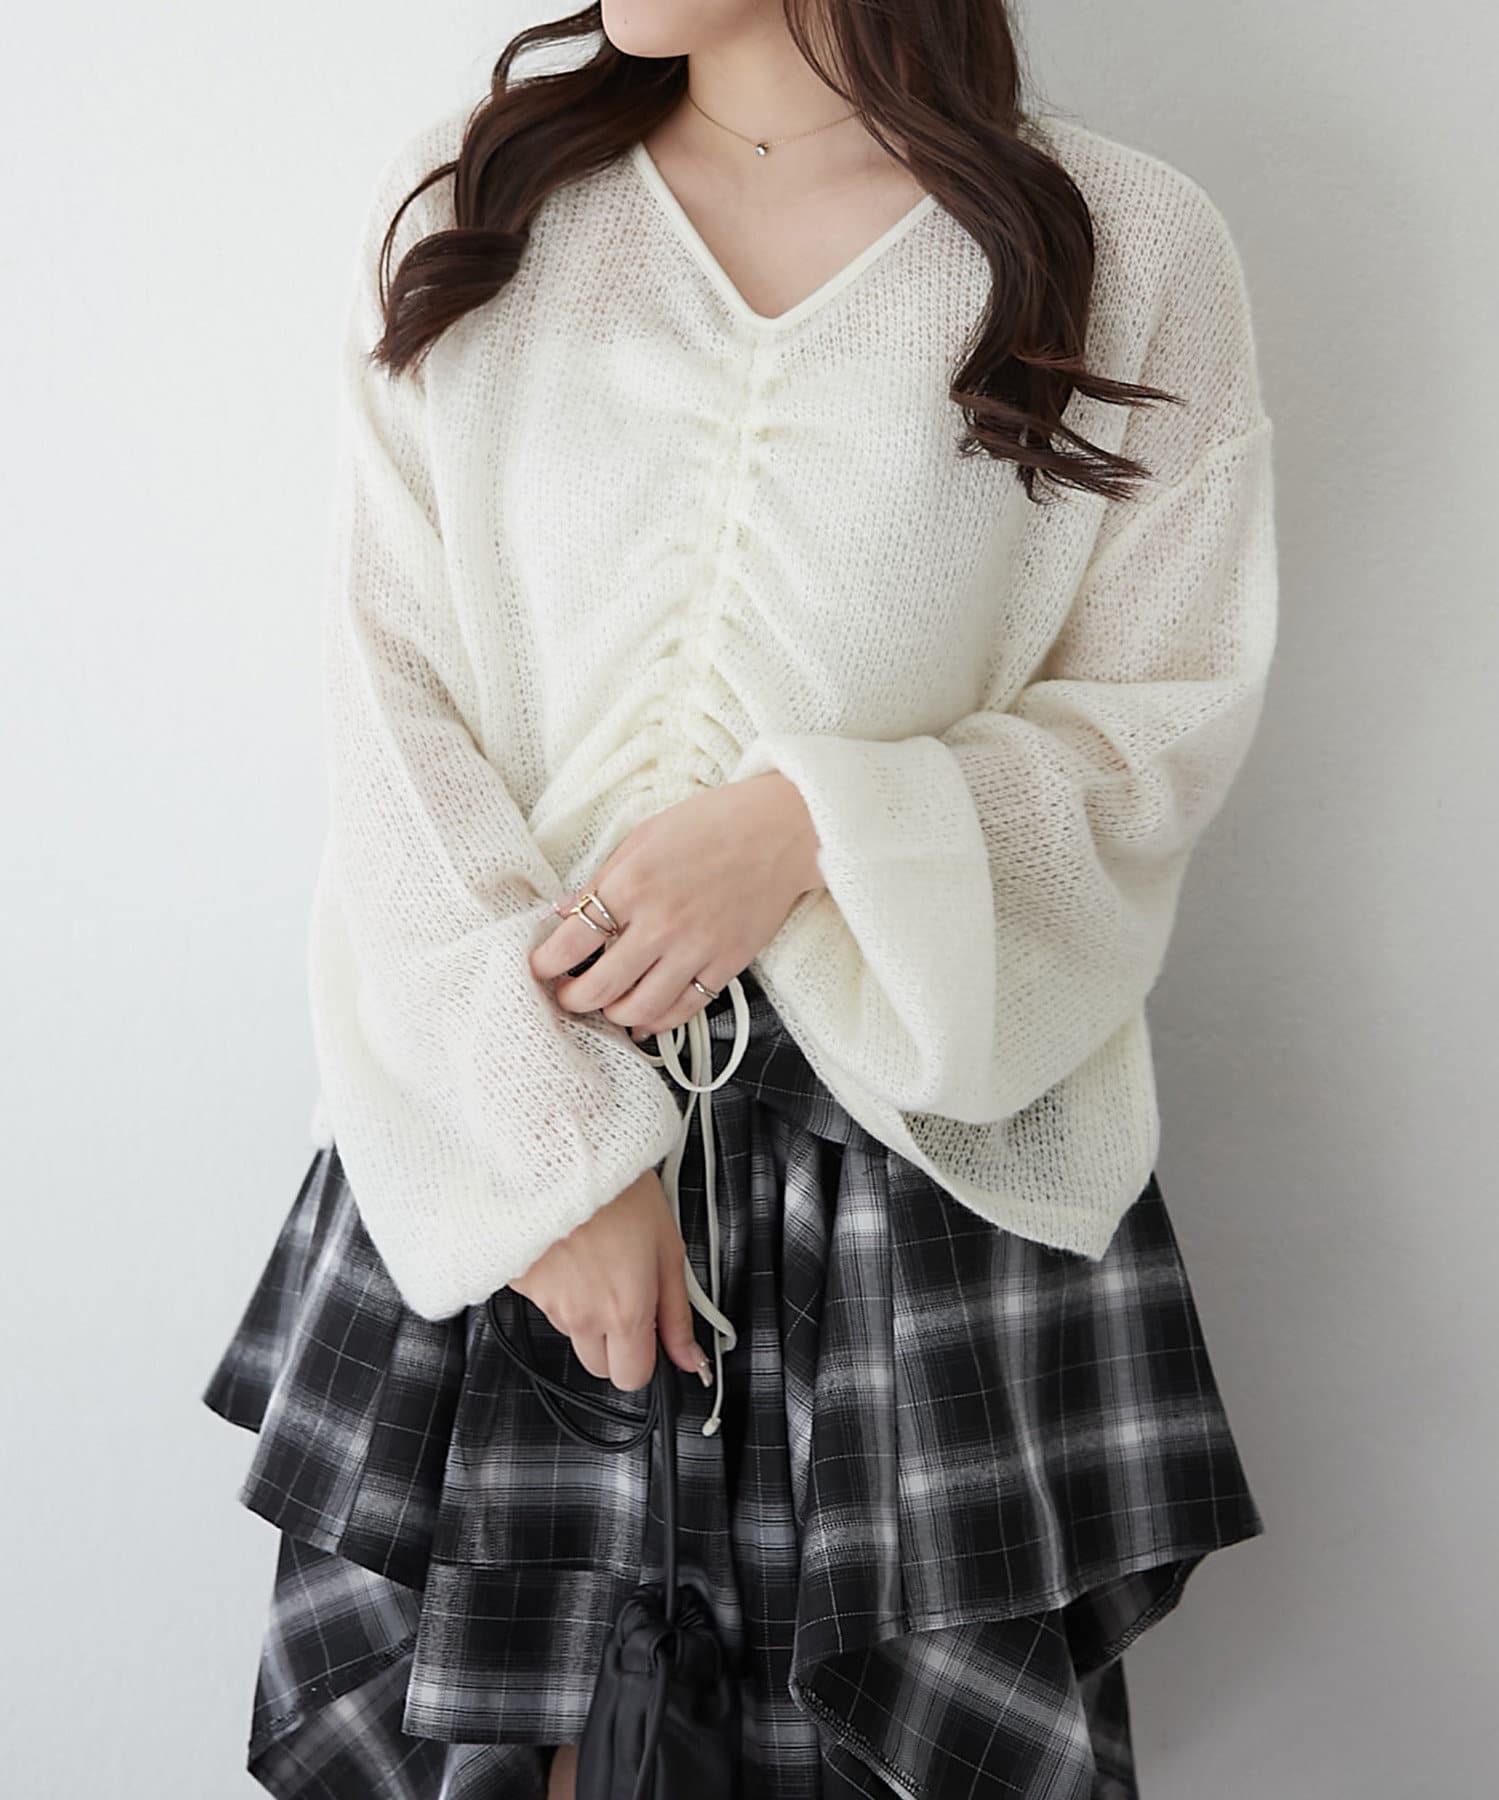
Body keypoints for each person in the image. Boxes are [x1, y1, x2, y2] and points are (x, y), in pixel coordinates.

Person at [201, 1, 1276, 1794]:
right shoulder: (482, 206)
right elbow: (390, 720)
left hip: (910, 1180)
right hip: (500, 1120)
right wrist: (555, 1159)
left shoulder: (1120, 242)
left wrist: (812, 824)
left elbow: (1161, 721)